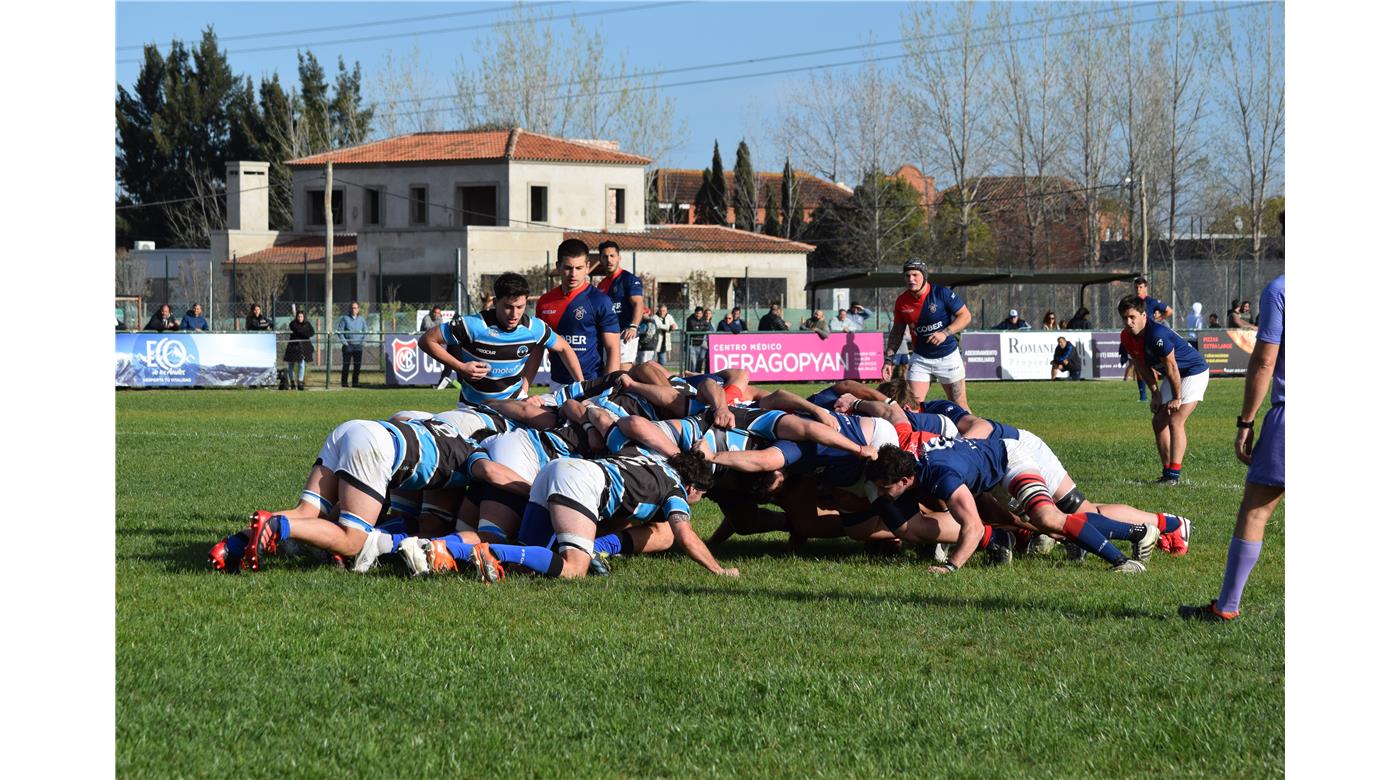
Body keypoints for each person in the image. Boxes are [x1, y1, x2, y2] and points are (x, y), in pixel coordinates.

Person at [207, 415, 528, 575]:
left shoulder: (439, 427)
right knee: (352, 539)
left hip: (354, 429)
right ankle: (277, 527)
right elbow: (492, 473)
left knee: (307, 511)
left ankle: (230, 547)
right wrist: (533, 491)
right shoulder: (472, 450)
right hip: (375, 447)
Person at [1181, 214, 1284, 622]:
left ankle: (1226, 606)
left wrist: (1246, 421)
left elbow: (1263, 362)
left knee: (1256, 511)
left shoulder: (1281, 290)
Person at [419, 272, 584, 408]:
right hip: (472, 407)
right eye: (508, 307)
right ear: (495, 302)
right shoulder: (473, 325)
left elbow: (564, 348)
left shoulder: (534, 327)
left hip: (514, 404)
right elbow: (427, 340)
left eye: (520, 307)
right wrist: (461, 367)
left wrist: (582, 387)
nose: (514, 314)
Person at [1119, 295, 1210, 485]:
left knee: (1176, 419)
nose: (1128, 322)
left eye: (1132, 317)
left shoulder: (1157, 334)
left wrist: (1177, 398)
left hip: (1193, 371)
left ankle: (1174, 475)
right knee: (1159, 420)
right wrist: (1155, 394)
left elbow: (1172, 367)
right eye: (1125, 318)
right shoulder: (1126, 336)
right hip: (1173, 375)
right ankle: (1167, 472)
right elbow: (1141, 366)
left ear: (1144, 315)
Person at [883, 260, 973, 410]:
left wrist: (945, 333)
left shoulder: (941, 293)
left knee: (960, 406)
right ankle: (918, 433)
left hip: (948, 357)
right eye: (907, 276)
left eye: (915, 275)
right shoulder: (902, 301)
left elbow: (965, 316)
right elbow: (897, 332)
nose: (911, 279)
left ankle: (974, 433)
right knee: (911, 406)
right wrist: (888, 360)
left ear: (924, 276)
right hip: (921, 359)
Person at [535, 239, 621, 391]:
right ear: (558, 266)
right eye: (568, 268)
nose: (573, 274)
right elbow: (537, 349)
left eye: (579, 268)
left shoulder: (600, 301)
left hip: (592, 382)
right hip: (557, 383)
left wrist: (609, 387)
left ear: (587, 267)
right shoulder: (545, 302)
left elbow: (613, 348)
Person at [594, 240, 646, 370]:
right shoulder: (601, 284)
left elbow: (638, 303)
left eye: (612, 256)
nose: (609, 260)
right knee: (609, 376)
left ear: (619, 258)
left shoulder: (629, 279)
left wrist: (633, 327)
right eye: (605, 257)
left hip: (625, 335)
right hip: (608, 336)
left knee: (622, 375)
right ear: (600, 259)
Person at [336, 301, 368, 387]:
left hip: (358, 346)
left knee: (357, 366)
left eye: (356, 308)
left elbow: (366, 332)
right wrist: (345, 343)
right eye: (352, 308)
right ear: (350, 309)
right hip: (348, 346)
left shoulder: (361, 319)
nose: (354, 309)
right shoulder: (344, 318)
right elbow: (339, 331)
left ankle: (355, 383)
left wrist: (362, 342)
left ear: (358, 309)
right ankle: (344, 383)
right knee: (346, 365)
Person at [285, 310, 315, 390]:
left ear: (303, 317)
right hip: (293, 346)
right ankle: (292, 383)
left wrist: (302, 332)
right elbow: (297, 329)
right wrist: (304, 332)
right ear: (296, 317)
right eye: (298, 316)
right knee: (291, 365)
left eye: (301, 316)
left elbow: (312, 333)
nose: (300, 318)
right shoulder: (293, 323)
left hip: (303, 347)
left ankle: (300, 383)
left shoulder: (307, 324)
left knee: (301, 364)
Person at [683, 307, 714, 373]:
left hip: (701, 344)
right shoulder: (690, 319)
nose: (698, 315)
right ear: (695, 313)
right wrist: (702, 327)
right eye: (697, 313)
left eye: (699, 313)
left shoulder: (703, 319)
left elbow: (707, 327)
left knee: (699, 363)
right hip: (692, 344)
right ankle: (691, 377)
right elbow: (694, 329)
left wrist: (700, 327)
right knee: (693, 363)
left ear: (702, 314)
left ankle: (698, 376)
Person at [652, 304, 678, 369]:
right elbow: (659, 326)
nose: (662, 312)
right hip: (655, 343)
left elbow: (675, 326)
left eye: (664, 311)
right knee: (652, 362)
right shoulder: (655, 317)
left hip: (664, 343)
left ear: (666, 311)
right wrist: (670, 327)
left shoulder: (669, 316)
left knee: (663, 362)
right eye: (661, 311)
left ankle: (660, 374)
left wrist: (673, 327)